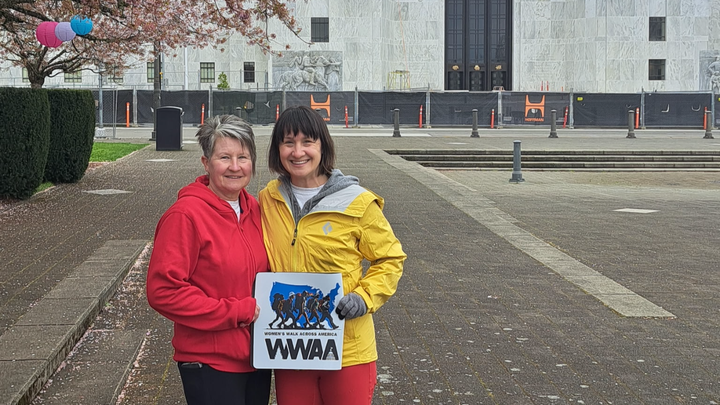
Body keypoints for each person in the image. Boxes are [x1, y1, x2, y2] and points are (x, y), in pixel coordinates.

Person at [258, 105, 407, 405]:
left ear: (323, 146)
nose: (297, 152)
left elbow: (390, 259)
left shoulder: (357, 202)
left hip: (348, 349)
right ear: (277, 150)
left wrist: (364, 297)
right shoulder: (267, 199)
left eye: (307, 142)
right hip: (290, 350)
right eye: (288, 142)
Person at [146, 115, 271, 405]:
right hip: (210, 362)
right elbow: (163, 291)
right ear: (206, 163)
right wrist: (235, 311)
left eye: (243, 157)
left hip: (256, 359)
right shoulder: (185, 216)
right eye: (224, 157)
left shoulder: (255, 209)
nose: (235, 166)